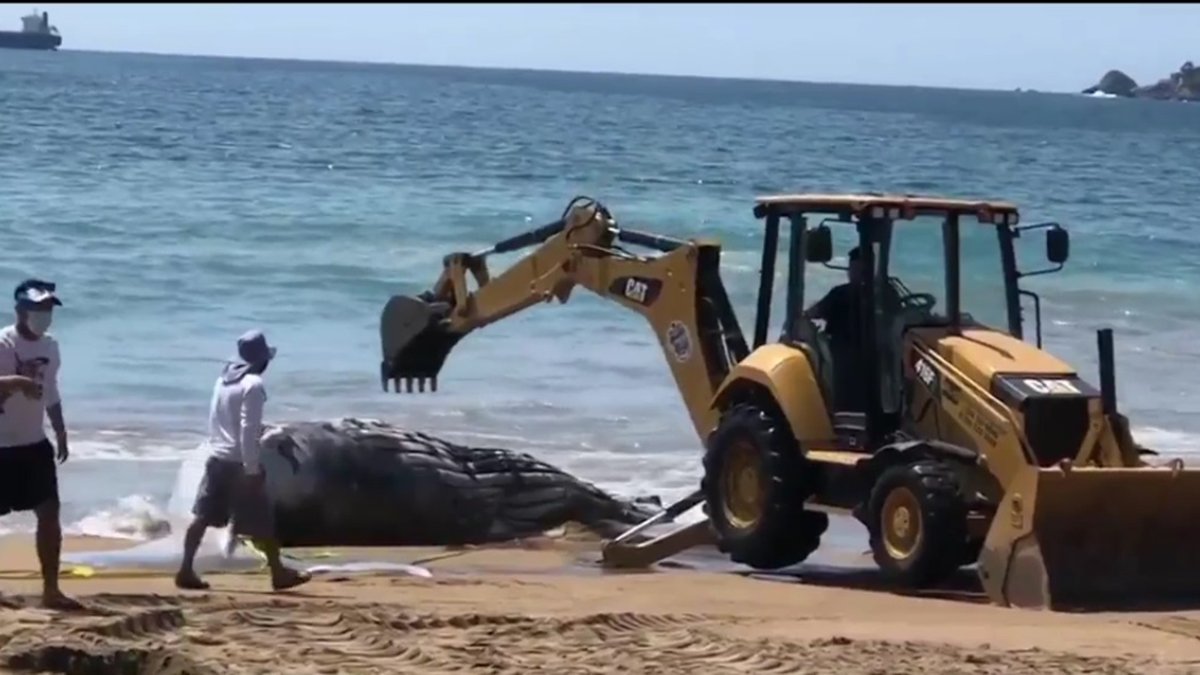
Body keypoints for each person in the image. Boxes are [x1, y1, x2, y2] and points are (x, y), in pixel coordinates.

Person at [175, 329, 310, 592]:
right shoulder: (253, 385)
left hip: (217, 457)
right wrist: (252, 467)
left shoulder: (223, 382)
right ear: (262, 360)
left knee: (202, 517)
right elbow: (249, 428)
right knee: (262, 520)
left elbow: (218, 419)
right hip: (239, 463)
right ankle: (279, 573)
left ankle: (186, 568)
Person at [0, 279, 80, 610]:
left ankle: (51, 589)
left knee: (49, 513)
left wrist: (60, 429)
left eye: (48, 309)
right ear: (20, 310)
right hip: (1, 447)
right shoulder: (4, 343)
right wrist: (19, 382)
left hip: (34, 443)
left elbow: (51, 389)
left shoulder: (50, 346)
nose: (44, 315)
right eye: (38, 309)